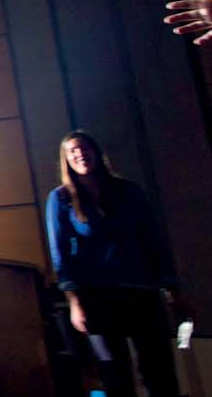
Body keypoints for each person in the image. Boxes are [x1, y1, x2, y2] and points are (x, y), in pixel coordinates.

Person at [45, 131, 182, 397]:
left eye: (84, 148)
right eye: (72, 151)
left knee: (159, 370)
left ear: (96, 152)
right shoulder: (61, 198)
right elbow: (59, 253)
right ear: (66, 159)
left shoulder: (128, 191)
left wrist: (172, 290)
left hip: (141, 291)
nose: (80, 154)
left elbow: (152, 239)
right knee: (115, 374)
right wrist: (74, 301)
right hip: (98, 297)